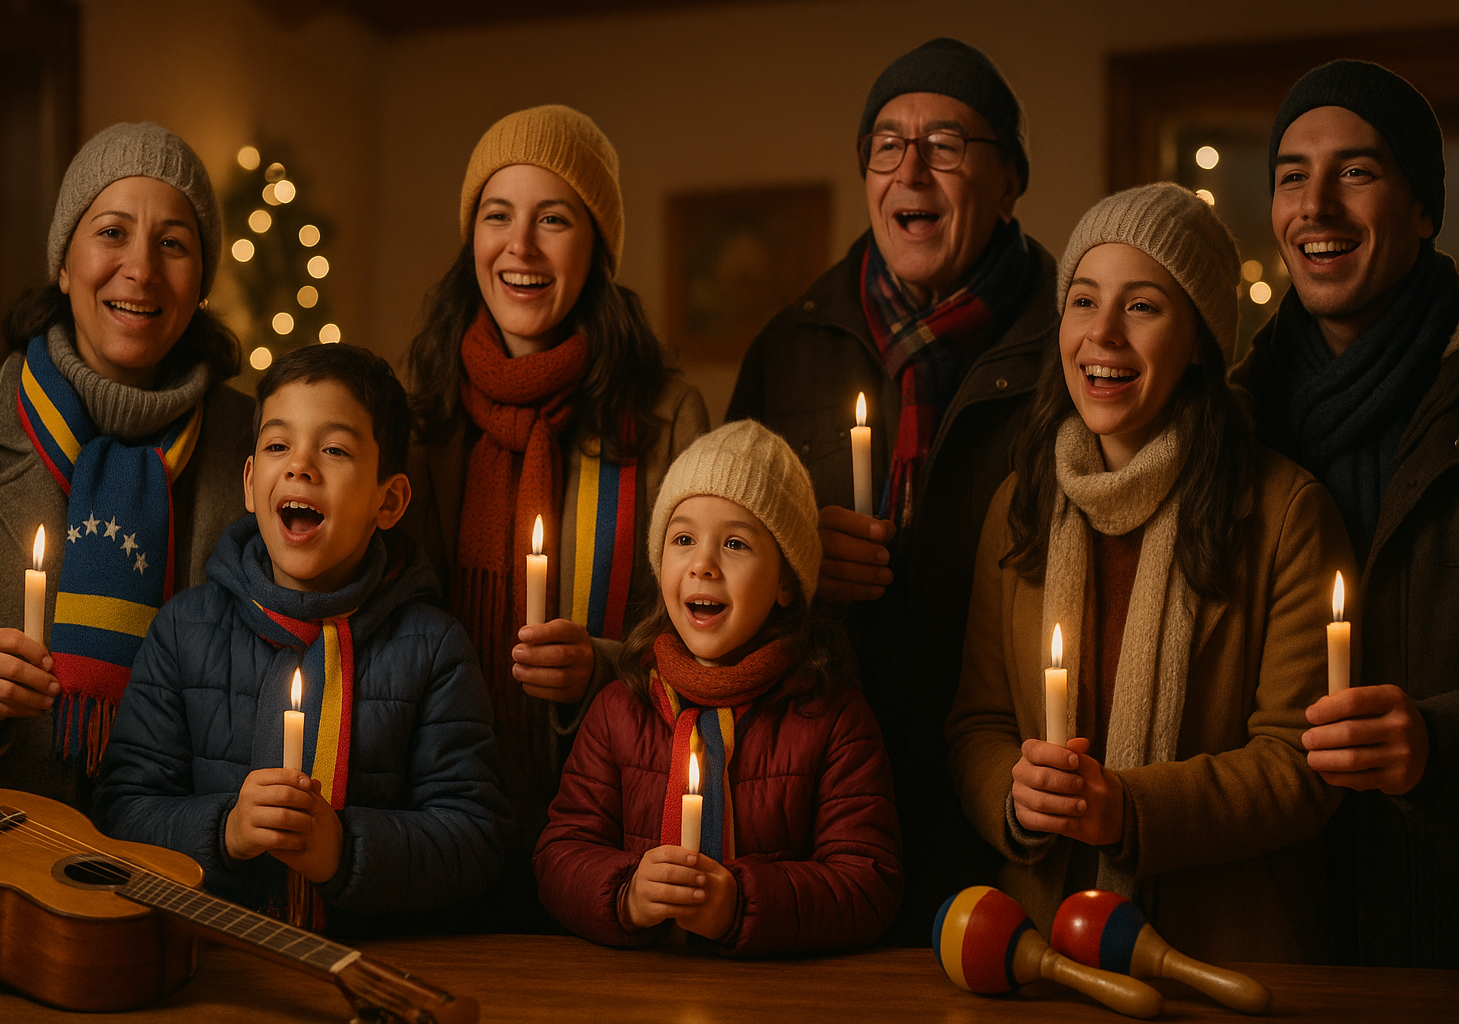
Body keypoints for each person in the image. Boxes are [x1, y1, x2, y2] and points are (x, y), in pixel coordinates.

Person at [948, 183, 1351, 962]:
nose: (1102, 336)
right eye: (1083, 301)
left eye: (1141, 307)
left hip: (1218, 948)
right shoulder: (1020, 501)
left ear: (1199, 339)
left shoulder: (1283, 513)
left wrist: (1128, 811)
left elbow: (1299, 765)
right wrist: (1015, 795)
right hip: (1041, 949)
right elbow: (978, 723)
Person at [725, 37, 1057, 939]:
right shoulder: (788, 349)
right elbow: (704, 577)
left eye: (946, 146)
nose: (911, 169)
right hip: (812, 818)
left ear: (1010, 182)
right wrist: (784, 571)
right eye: (886, 144)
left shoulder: (1075, 350)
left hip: (1014, 810)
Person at [1234, 60, 1459, 1011]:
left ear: (1424, 209)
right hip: (1269, 931)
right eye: (1292, 176)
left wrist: (1442, 743)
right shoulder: (1234, 422)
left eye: (1356, 172)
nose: (1317, 207)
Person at [402, 104, 707, 925]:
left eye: (554, 220)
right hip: (433, 800)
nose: (521, 248)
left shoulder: (667, 415)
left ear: (597, 248)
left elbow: (710, 624)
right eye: (497, 216)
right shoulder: (420, 414)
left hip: (607, 814)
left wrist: (601, 666)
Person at [96, 344, 509, 933]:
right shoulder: (183, 630)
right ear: (249, 481)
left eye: (334, 449)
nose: (300, 466)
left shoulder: (433, 648)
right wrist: (226, 831)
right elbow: (120, 813)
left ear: (387, 501)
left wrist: (344, 848)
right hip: (211, 955)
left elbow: (475, 841)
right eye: (277, 445)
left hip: (370, 958)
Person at [0, 122, 253, 809]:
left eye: (173, 245)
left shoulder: (257, 444)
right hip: (1, 858)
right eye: (112, 232)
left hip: (183, 860)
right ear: (64, 263)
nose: (142, 269)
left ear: (201, 283)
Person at [534, 420, 903, 954]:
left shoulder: (833, 717)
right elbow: (558, 856)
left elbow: (869, 882)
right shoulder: (620, 707)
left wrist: (741, 904)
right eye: (683, 539)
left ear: (785, 582)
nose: (703, 564)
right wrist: (626, 893)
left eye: (734, 543)